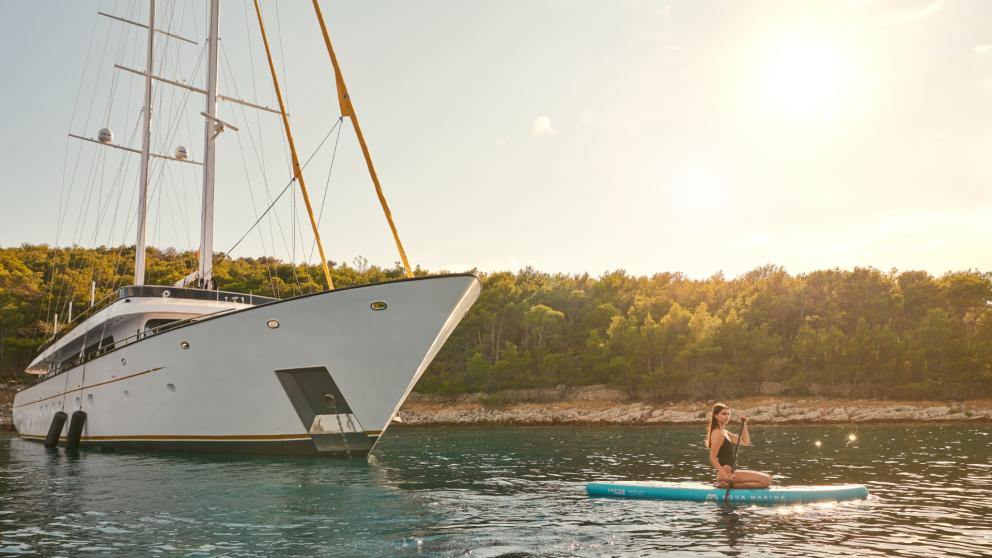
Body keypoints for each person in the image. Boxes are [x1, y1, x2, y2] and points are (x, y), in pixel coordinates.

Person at [705, 402, 772, 489]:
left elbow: (746, 442)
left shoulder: (725, 432)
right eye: (723, 414)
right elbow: (712, 458)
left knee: (768, 478)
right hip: (725, 473)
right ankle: (726, 484)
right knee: (766, 480)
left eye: (728, 414)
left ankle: (729, 485)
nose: (727, 416)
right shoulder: (718, 433)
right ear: (716, 416)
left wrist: (744, 425)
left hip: (733, 471)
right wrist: (725, 474)